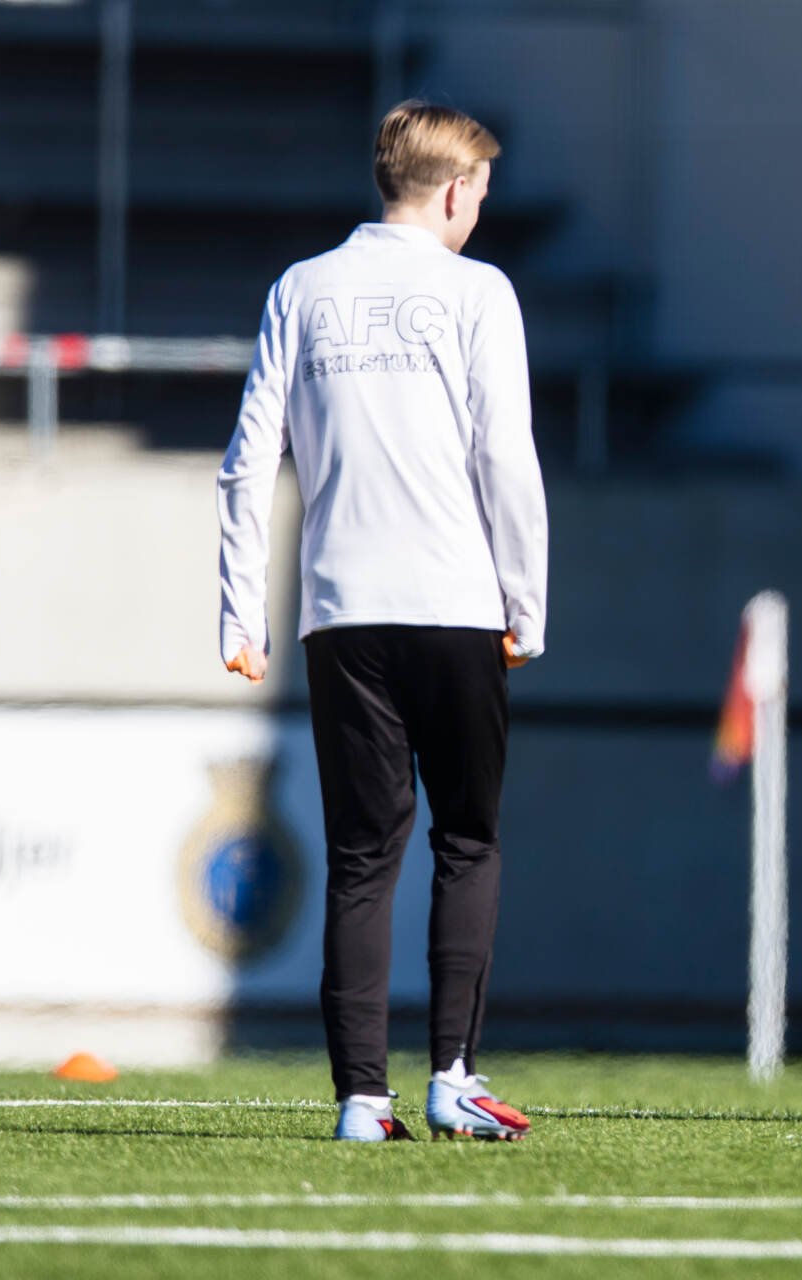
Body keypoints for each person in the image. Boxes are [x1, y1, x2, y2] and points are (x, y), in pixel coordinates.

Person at [217, 100, 547, 1142]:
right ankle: (454, 1074)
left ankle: (363, 1098)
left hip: (338, 613)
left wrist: (241, 612)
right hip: (456, 603)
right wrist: (526, 600)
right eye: (480, 195)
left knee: (364, 854)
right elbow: (507, 458)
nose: (479, 212)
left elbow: (245, 459)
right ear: (455, 191)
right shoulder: (479, 291)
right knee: (469, 838)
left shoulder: (302, 287)